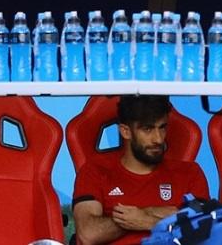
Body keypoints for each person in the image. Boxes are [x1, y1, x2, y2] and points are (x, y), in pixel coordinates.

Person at [72, 95, 209, 245]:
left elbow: (205, 231)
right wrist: (153, 213)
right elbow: (88, 235)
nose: (158, 139)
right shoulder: (95, 171)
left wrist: (147, 220)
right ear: (125, 131)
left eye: (162, 127)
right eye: (147, 129)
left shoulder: (190, 172)